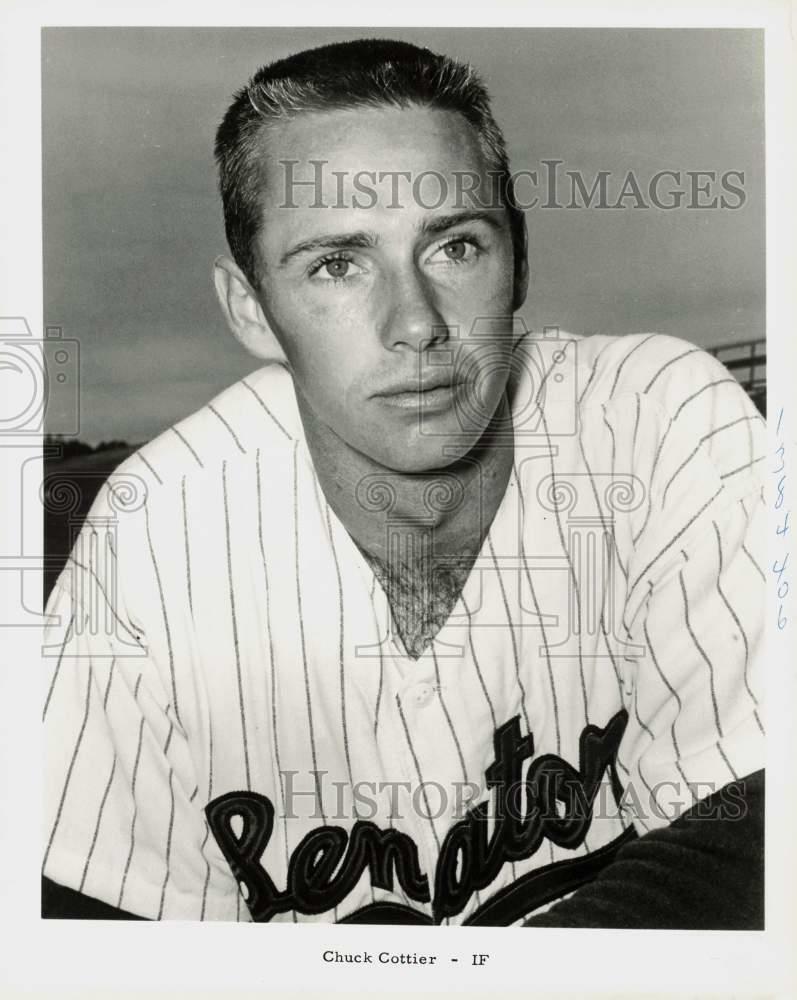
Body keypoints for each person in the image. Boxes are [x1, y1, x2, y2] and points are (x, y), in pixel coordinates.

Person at [42, 38, 765, 926]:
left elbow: (756, 843)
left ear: (519, 263)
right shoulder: (155, 529)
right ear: (250, 309)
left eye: (455, 246)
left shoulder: (658, 417)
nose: (416, 322)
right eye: (337, 265)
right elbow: (89, 932)